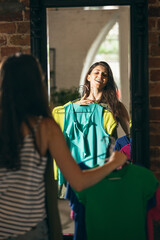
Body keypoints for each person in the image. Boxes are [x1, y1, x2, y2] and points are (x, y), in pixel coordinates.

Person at [0, 53, 127, 240]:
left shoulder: (110, 109)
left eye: (104, 74)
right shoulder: (45, 127)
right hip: (29, 229)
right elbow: (79, 181)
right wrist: (114, 162)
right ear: (37, 84)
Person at [76, 61, 130, 136]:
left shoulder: (115, 105)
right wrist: (76, 108)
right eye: (96, 73)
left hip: (109, 147)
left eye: (104, 75)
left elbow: (130, 133)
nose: (100, 76)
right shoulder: (78, 104)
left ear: (107, 81)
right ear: (88, 77)